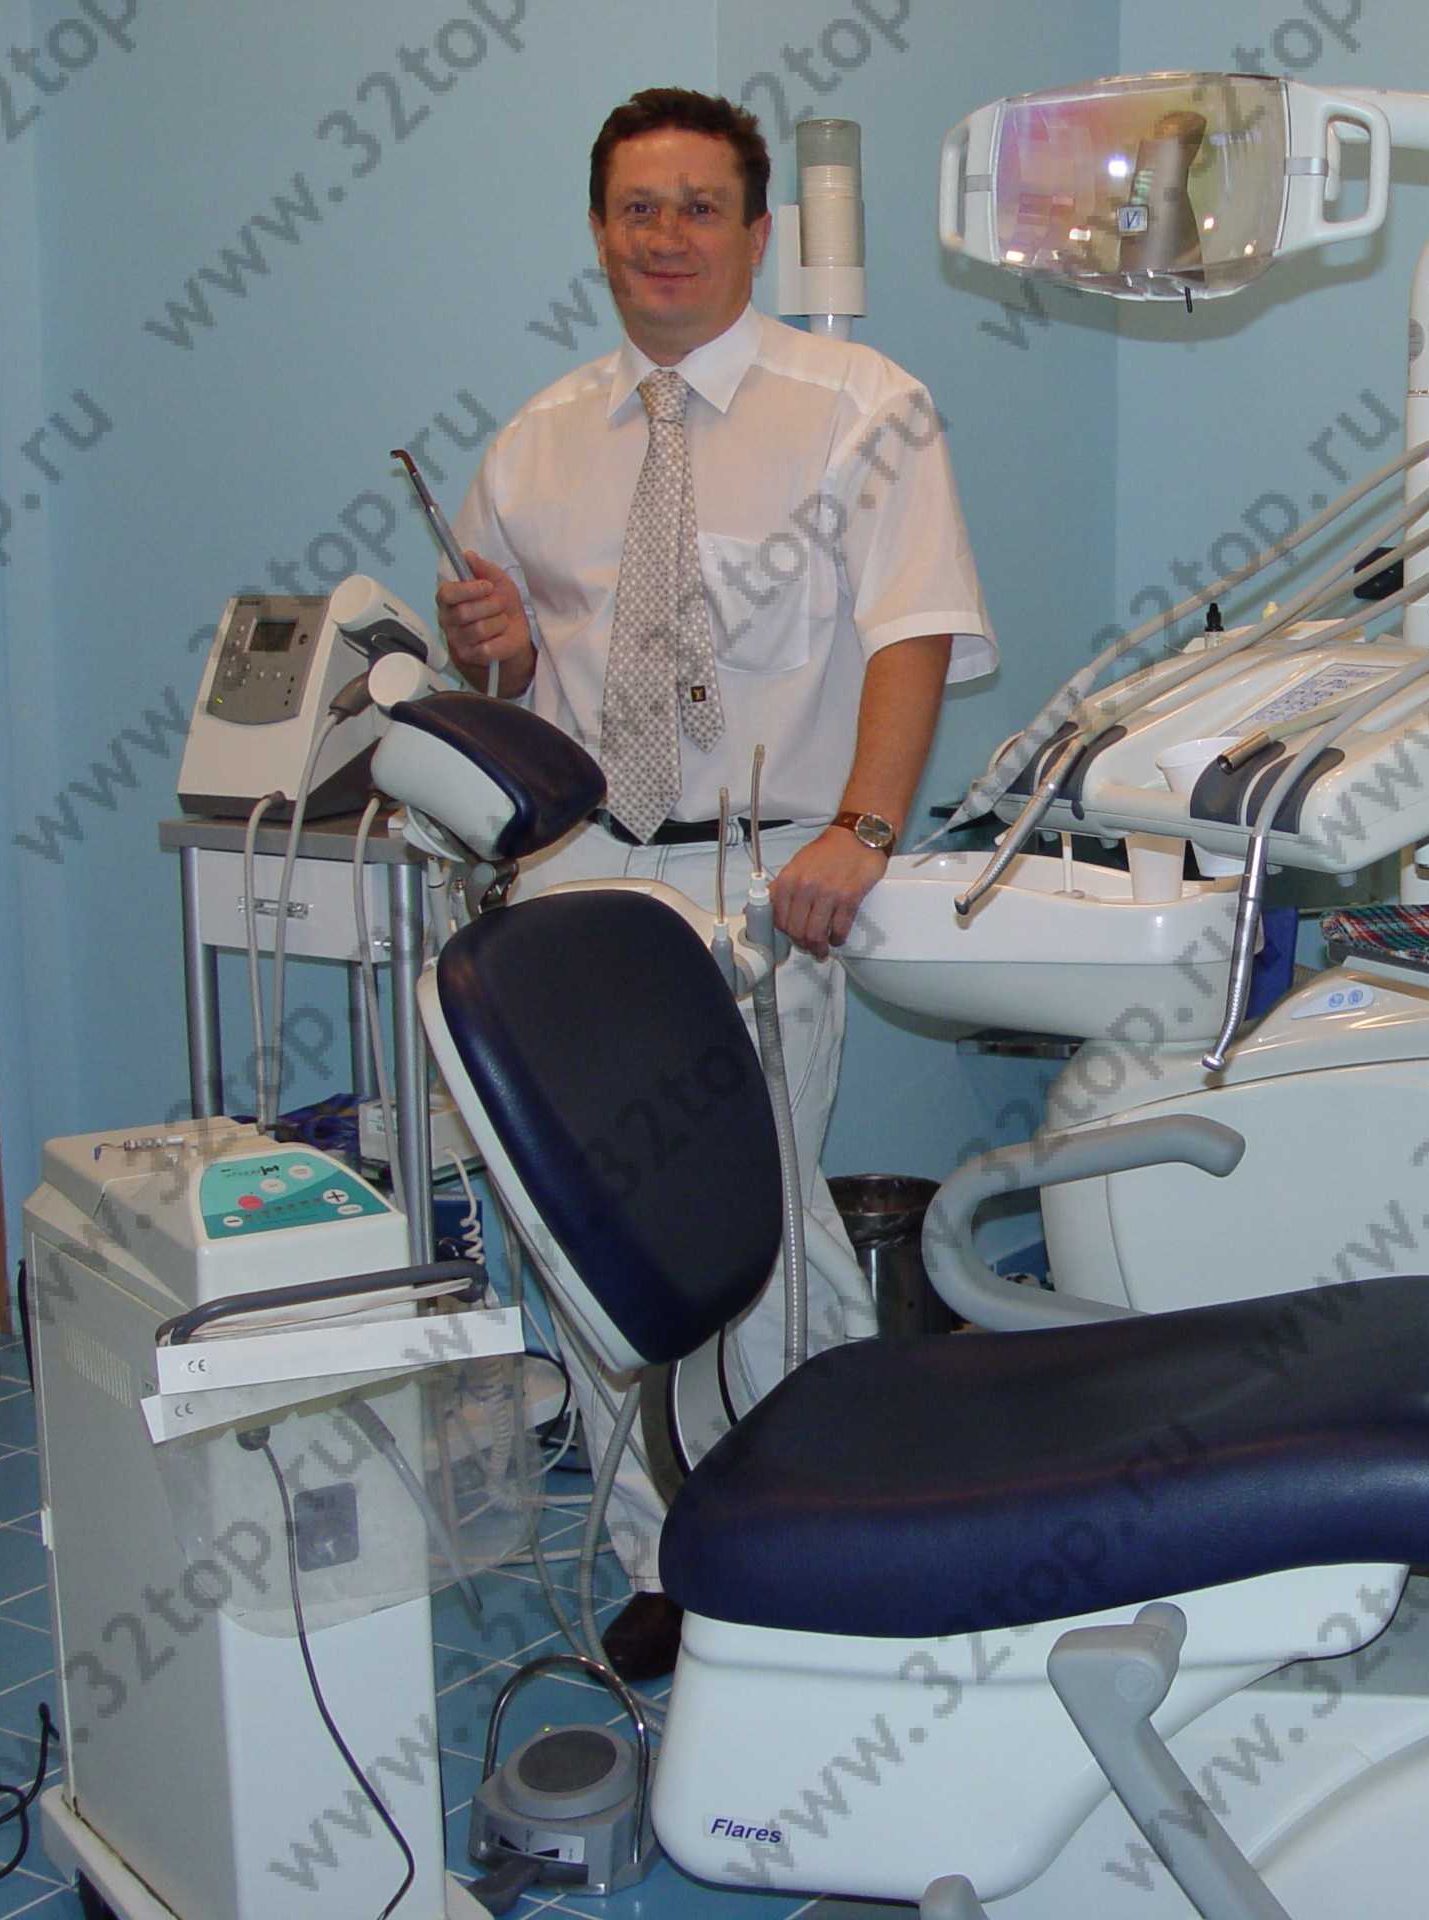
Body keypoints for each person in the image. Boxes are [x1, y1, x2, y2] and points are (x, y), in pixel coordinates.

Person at [434, 87, 992, 1680]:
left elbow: (912, 631)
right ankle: (668, 1559)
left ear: (757, 232)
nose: (664, 236)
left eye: (697, 207)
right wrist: (497, 650)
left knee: (757, 1240)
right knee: (590, 1247)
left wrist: (864, 831)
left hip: (763, 877)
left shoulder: (862, 407)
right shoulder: (536, 444)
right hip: (575, 879)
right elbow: (515, 675)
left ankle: (829, 1537)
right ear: (598, 230)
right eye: (636, 208)